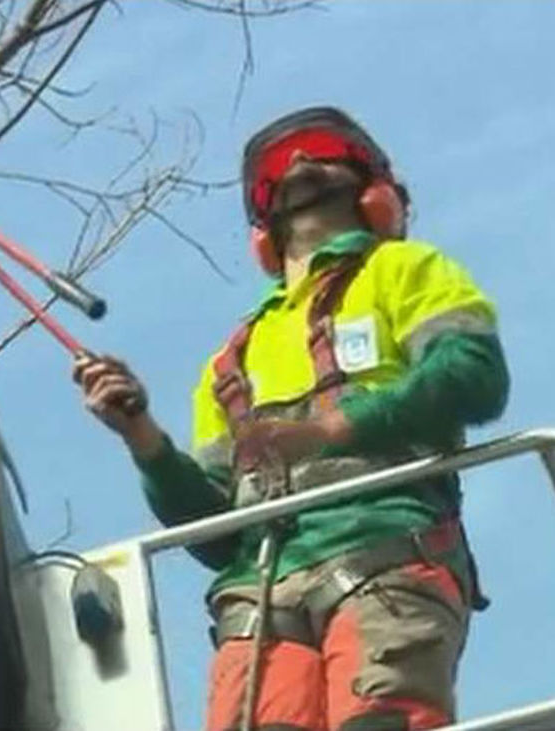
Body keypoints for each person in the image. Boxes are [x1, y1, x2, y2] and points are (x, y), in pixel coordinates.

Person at [73, 106, 509, 731]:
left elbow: (474, 376)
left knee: (381, 723)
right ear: (262, 228)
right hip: (259, 600)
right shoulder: (232, 360)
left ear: (376, 191)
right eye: (276, 167)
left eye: (321, 150)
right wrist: (143, 439)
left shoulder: (405, 270)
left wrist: (336, 429)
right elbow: (218, 532)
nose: (299, 164)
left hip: (386, 555)